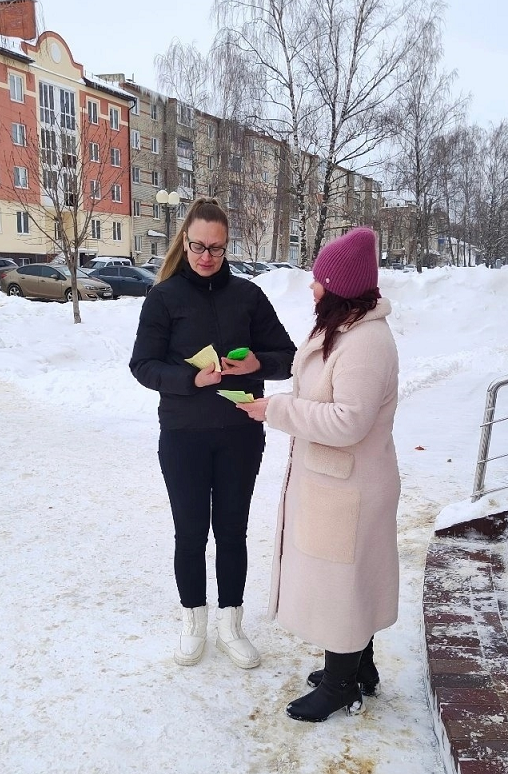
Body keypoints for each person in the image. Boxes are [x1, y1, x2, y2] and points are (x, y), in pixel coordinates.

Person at [239, 227, 400, 721]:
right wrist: (257, 365)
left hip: (350, 485)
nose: (312, 288)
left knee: (343, 586)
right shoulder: (344, 328)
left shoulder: (366, 342)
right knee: (349, 581)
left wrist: (278, 411)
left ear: (339, 287)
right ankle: (361, 670)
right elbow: (314, 377)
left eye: (318, 281)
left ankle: (339, 686)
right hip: (335, 481)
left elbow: (348, 420)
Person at [129, 198, 295, 669]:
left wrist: (258, 362)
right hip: (183, 436)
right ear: (185, 241)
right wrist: (189, 379)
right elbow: (143, 365)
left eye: (217, 249)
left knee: (232, 532)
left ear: (227, 248)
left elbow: (288, 355)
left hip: (240, 436)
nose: (206, 257)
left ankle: (231, 624)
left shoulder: (248, 297)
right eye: (199, 246)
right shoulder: (164, 297)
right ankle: (193, 621)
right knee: (190, 532)